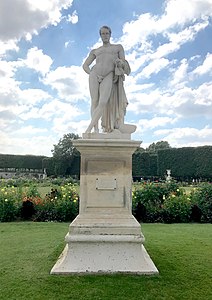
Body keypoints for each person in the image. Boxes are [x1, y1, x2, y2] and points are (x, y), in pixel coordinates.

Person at [83, 25, 131, 133]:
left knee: (102, 102)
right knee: (94, 101)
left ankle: (89, 128)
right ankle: (95, 129)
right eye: (103, 33)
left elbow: (124, 62)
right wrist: (91, 73)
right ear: (100, 36)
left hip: (109, 75)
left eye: (107, 33)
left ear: (110, 35)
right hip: (95, 74)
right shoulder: (95, 51)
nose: (105, 35)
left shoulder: (117, 47)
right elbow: (85, 65)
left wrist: (120, 63)